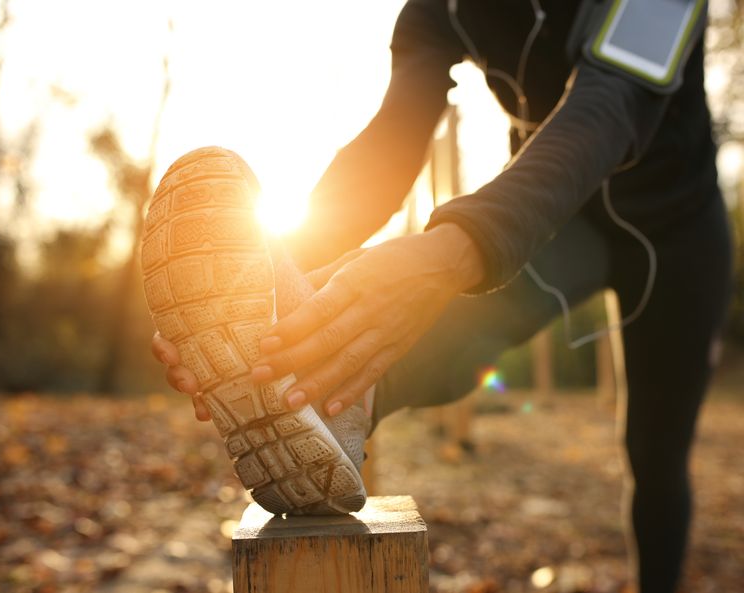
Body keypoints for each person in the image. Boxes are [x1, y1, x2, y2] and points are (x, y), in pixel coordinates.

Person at [151, 1, 732, 591]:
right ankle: (342, 397)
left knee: (657, 459)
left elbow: (612, 102)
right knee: (468, 306)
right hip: (560, 220)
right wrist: (276, 282)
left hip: (679, 230)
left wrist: (456, 249)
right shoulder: (438, 8)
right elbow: (392, 143)